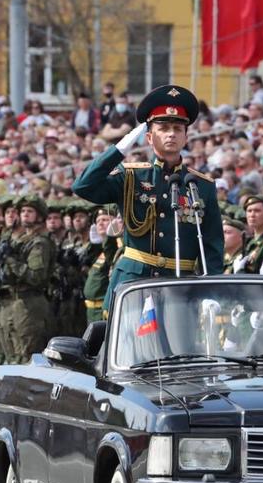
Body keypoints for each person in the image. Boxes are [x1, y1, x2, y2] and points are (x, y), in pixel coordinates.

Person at [71, 85, 225, 315]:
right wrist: (118, 150)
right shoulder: (131, 176)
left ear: (186, 136)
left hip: (180, 287)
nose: (171, 133)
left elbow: (212, 244)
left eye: (177, 128)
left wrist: (211, 290)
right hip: (134, 284)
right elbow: (83, 186)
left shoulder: (201, 185)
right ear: (150, 137)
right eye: (163, 128)